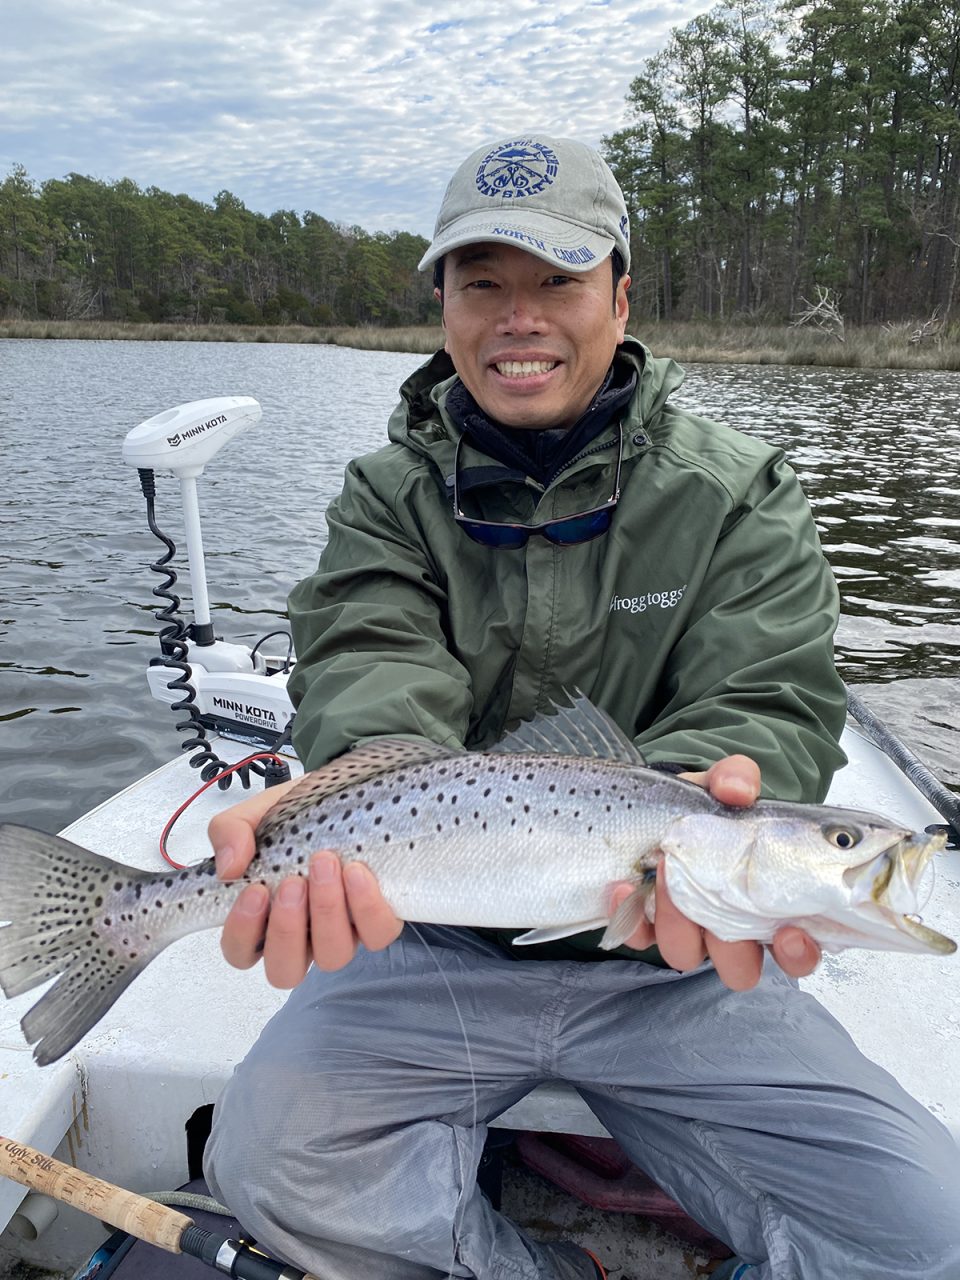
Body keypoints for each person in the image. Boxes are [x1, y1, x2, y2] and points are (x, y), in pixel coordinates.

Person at [202, 135, 960, 1280]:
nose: (520, 317)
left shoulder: (739, 492)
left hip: (683, 964)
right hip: (424, 941)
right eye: (483, 282)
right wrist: (353, 776)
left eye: (556, 279)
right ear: (445, 303)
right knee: (268, 1165)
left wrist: (718, 791)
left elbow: (766, 695)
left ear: (620, 292)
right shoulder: (385, 495)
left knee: (926, 1232)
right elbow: (368, 658)